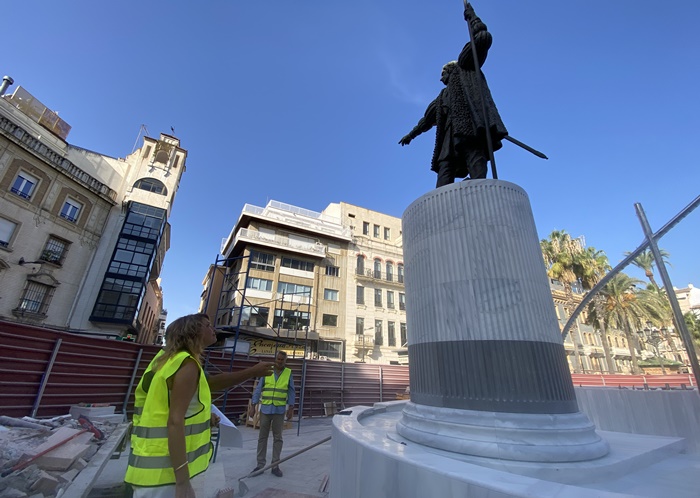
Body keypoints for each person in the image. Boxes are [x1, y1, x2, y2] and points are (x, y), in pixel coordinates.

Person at [125, 313, 273, 497]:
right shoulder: (186, 364)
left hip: (152, 463)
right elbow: (174, 421)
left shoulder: (166, 359)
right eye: (207, 325)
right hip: (166, 472)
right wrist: (183, 481)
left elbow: (168, 404)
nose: (214, 329)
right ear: (192, 331)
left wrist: (203, 418)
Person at [399, 2, 508, 188]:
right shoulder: (441, 98)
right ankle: (441, 205)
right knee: (444, 167)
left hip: (469, 127)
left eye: (443, 74)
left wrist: (472, 17)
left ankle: (479, 187)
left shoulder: (464, 69)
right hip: (448, 136)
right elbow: (426, 121)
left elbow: (482, 37)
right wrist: (411, 135)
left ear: (450, 70)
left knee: (475, 157)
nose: (441, 78)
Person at [249, 350, 295, 477]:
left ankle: (275, 465)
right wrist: (253, 405)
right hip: (266, 409)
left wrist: (291, 408)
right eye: (278, 359)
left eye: (282, 360)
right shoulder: (267, 371)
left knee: (278, 438)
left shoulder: (288, 373)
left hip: (279, 411)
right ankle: (260, 465)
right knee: (262, 437)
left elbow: (291, 391)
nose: (280, 361)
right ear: (275, 359)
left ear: (285, 361)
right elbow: (259, 389)